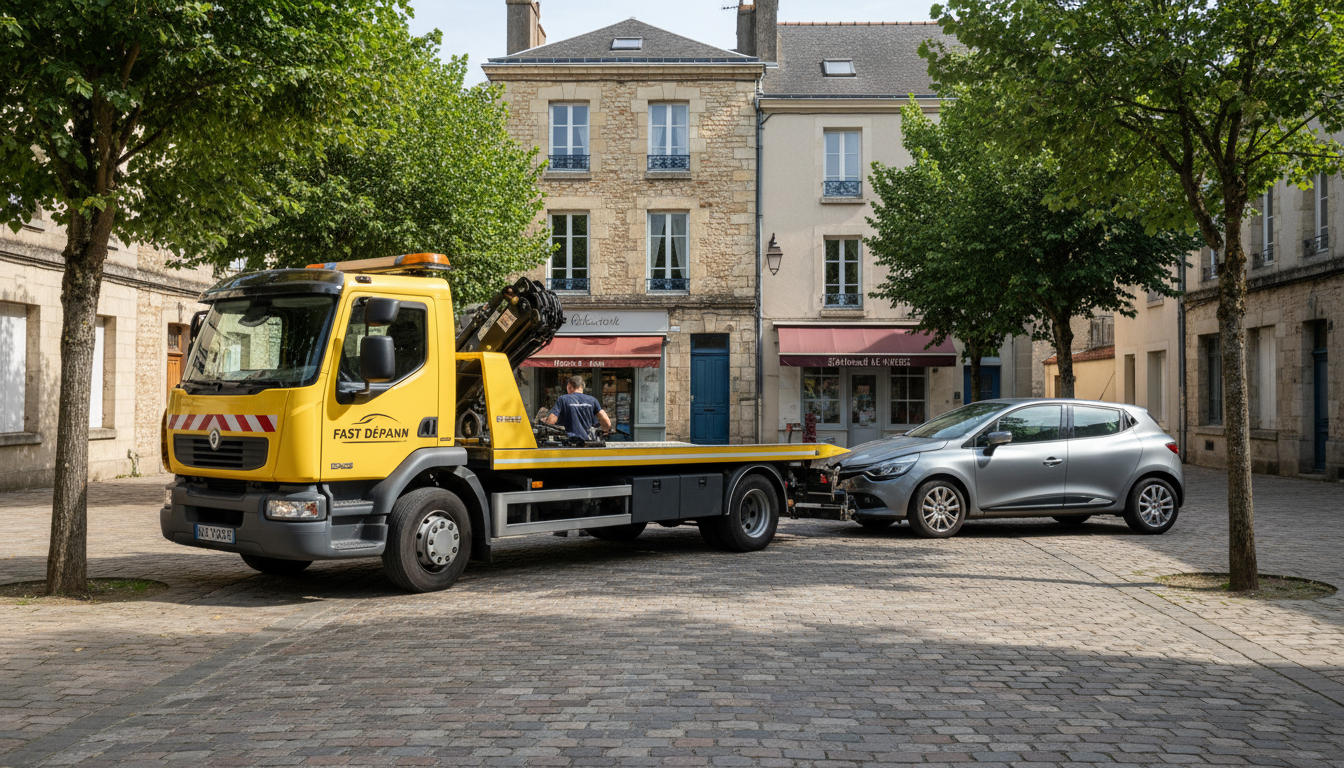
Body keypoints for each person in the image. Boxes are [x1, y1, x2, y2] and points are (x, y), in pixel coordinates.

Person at [545, 375, 612, 441]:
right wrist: (603, 431)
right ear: (582, 387)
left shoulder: (562, 399)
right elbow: (607, 423)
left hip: (570, 442)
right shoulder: (593, 400)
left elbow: (551, 421)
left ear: (569, 386)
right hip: (588, 443)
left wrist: (545, 421)